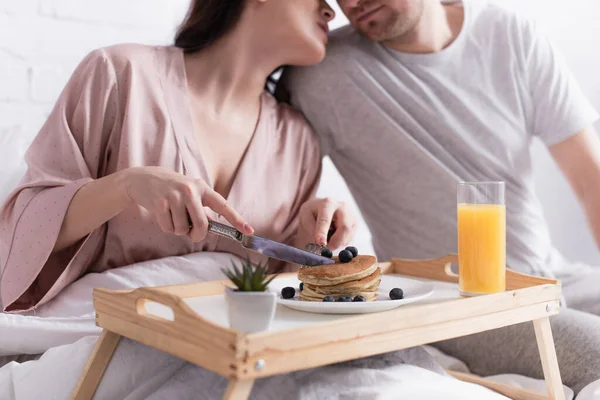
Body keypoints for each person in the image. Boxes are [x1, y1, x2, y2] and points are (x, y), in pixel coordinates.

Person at [281, 0, 600, 394]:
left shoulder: (509, 33)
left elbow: (592, 183)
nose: (350, 3)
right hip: (461, 303)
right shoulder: (323, 73)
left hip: (554, 277)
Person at [0, 0, 361, 313]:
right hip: (95, 337)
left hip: (229, 351)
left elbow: (282, 294)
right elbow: (22, 231)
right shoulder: (119, 74)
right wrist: (126, 185)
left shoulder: (298, 141)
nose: (330, 10)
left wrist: (312, 239)